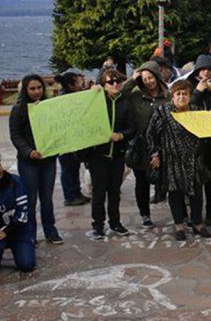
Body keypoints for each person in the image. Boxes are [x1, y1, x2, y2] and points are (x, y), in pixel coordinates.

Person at [147, 79, 211, 240]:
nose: (181, 97)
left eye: (185, 94)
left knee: (197, 194)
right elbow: (151, 134)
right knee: (175, 194)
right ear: (172, 96)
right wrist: (155, 154)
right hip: (172, 161)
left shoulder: (197, 112)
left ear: (189, 95)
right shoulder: (163, 112)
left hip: (194, 161)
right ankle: (179, 225)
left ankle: (197, 224)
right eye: (178, 94)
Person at [9, 74, 63, 245]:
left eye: (39, 88)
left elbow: (59, 127)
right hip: (28, 163)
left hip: (48, 160)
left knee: (47, 197)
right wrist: (28, 151)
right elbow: (15, 136)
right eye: (32, 88)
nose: (36, 91)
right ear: (25, 90)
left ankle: (50, 231)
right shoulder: (18, 109)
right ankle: (29, 233)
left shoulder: (49, 107)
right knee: (30, 199)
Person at [84, 70, 135, 240]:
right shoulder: (96, 100)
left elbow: (132, 127)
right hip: (98, 155)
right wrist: (90, 94)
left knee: (114, 191)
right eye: (111, 81)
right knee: (98, 192)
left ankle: (115, 222)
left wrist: (121, 136)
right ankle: (98, 225)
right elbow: (81, 115)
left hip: (117, 154)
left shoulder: (126, 102)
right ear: (103, 85)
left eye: (118, 81)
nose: (115, 84)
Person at [123, 61, 169, 228]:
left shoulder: (167, 96)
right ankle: (145, 214)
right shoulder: (135, 96)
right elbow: (119, 94)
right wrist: (132, 80)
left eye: (151, 77)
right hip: (141, 147)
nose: (148, 81)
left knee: (168, 180)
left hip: (164, 145)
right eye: (144, 79)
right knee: (141, 182)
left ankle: (180, 215)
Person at [190, 54, 211, 225]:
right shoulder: (190, 88)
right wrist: (197, 91)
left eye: (209, 70)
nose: (205, 73)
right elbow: (188, 108)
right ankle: (195, 214)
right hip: (194, 142)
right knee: (195, 180)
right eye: (203, 70)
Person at [53, 73, 89, 207]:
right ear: (71, 85)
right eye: (79, 82)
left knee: (74, 167)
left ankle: (76, 192)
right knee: (67, 169)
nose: (81, 84)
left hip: (74, 140)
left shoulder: (72, 95)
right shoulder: (64, 99)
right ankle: (69, 196)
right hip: (64, 141)